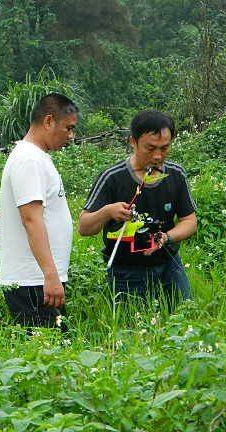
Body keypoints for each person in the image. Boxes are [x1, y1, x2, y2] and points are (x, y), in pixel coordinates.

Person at [78, 110, 197, 306]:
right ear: (132, 141)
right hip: (126, 271)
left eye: (165, 148)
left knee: (184, 318)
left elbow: (189, 221)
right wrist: (108, 211)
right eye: (150, 148)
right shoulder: (112, 177)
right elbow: (84, 227)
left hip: (169, 264)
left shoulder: (176, 175)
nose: (158, 156)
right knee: (132, 328)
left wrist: (167, 237)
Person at [0, 93, 78, 328]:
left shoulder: (37, 157)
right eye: (68, 128)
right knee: (47, 355)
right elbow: (31, 219)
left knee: (51, 355)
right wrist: (50, 275)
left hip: (39, 279)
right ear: (49, 121)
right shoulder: (29, 160)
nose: (71, 136)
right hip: (33, 282)